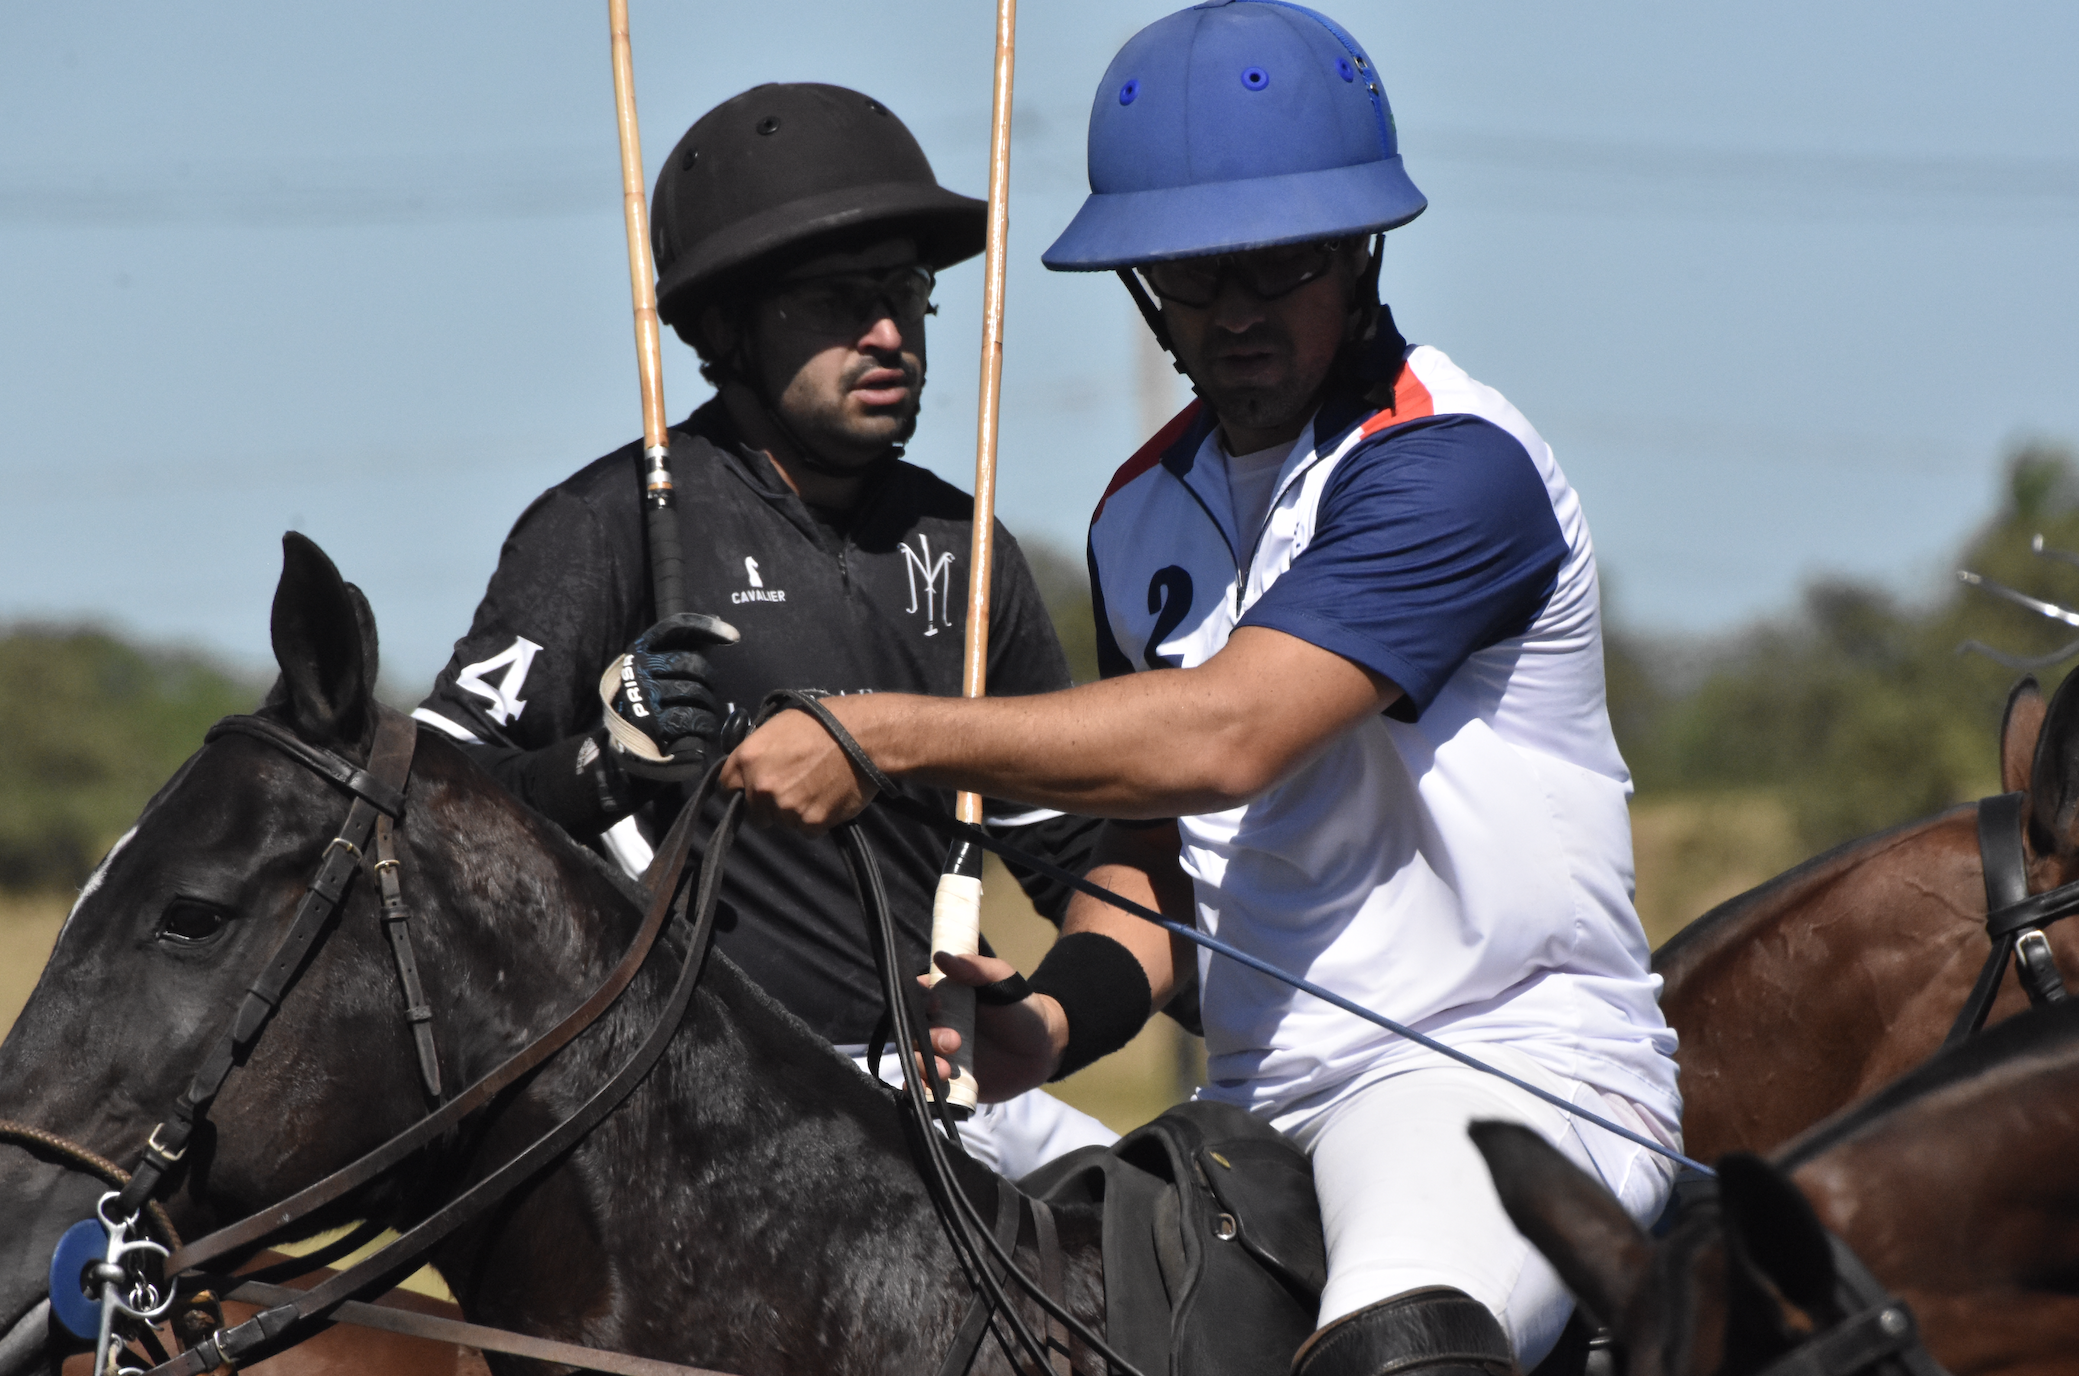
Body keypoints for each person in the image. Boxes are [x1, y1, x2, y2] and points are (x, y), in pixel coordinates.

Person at [717, 7, 1683, 1373]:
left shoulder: (1448, 466)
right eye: (1185, 271)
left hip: (1497, 1069)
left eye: (1274, 263)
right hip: (1252, 1115)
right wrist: (1039, 1026)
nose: (1229, 310)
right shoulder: (1136, 517)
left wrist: (885, 737)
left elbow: (1223, 738)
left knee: (1391, 1355)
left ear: (1358, 250)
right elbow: (1167, 871)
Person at [412, 82, 1118, 1179]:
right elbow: (421, 798)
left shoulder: (966, 547)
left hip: (946, 1097)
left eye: (905, 291)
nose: (888, 333)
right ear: (723, 327)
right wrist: (597, 767)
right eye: (840, 299)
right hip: (696, 1105)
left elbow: (1080, 848)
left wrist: (1079, 1008)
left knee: (1194, 1260)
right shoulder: (604, 525)